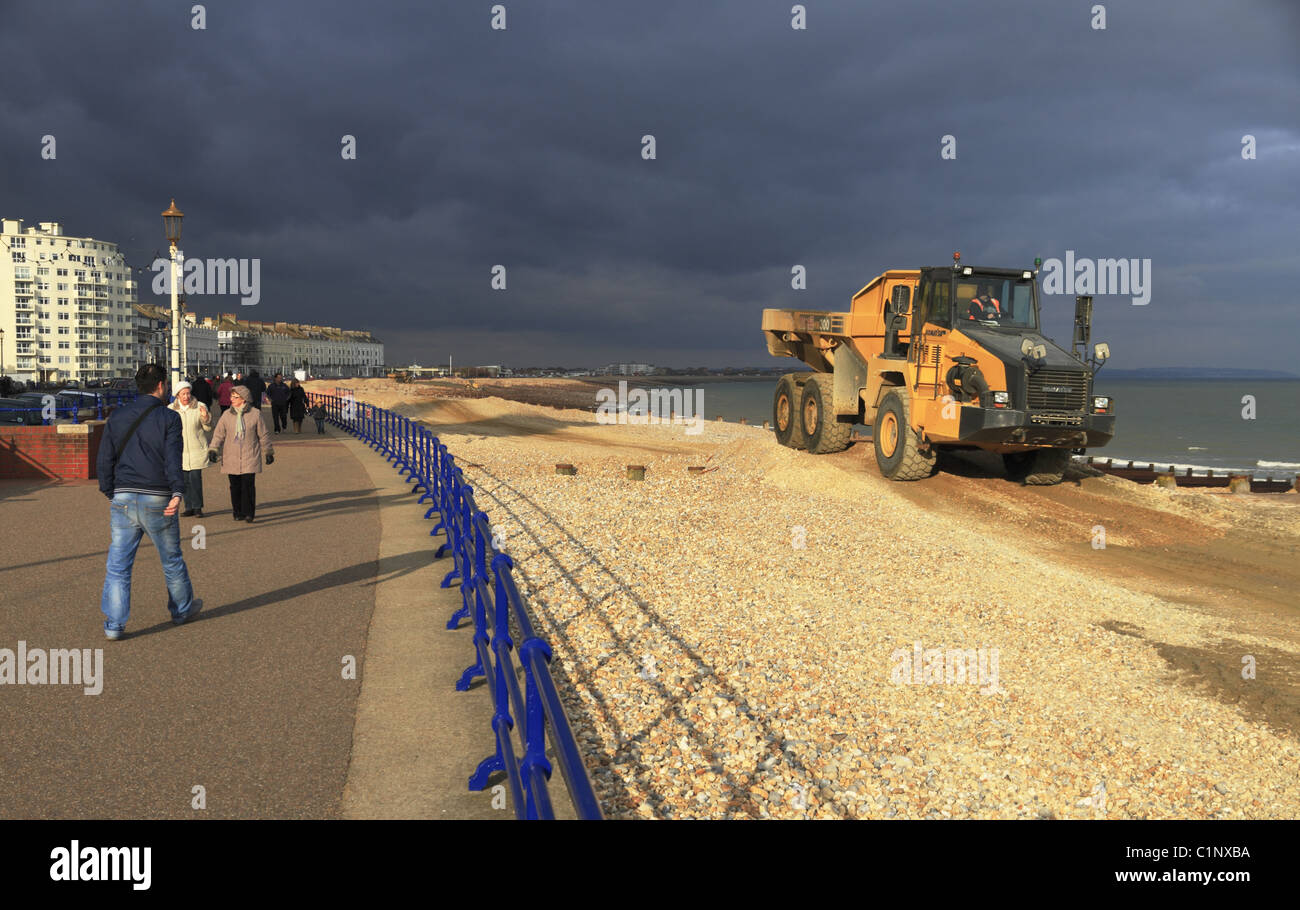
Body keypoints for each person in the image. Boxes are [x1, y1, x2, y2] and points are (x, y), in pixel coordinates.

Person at [96, 363, 201, 639]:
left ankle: (115, 625)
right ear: (161, 386)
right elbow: (172, 459)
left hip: (124, 496)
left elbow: (104, 459)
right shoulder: (169, 419)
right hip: (158, 496)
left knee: (118, 565)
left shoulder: (117, 416)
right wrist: (178, 492)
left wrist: (111, 491)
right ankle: (181, 610)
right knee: (171, 560)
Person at [207, 385, 274, 523]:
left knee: (248, 485)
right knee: (235, 486)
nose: (231, 399)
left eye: (235, 397)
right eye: (231, 396)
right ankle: (237, 511)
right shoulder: (226, 415)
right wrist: (213, 449)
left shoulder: (255, 414)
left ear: (244, 399)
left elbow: (263, 434)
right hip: (231, 456)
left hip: (250, 455)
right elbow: (218, 434)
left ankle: (249, 513)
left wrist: (268, 451)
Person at [168, 380, 213, 517]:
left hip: (197, 450)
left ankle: (198, 507)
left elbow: (208, 428)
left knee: (195, 479)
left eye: (188, 393)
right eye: (183, 394)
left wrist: (206, 418)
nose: (186, 396)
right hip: (180, 451)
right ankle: (189, 507)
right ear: (177, 395)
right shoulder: (170, 409)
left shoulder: (199, 406)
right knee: (183, 480)